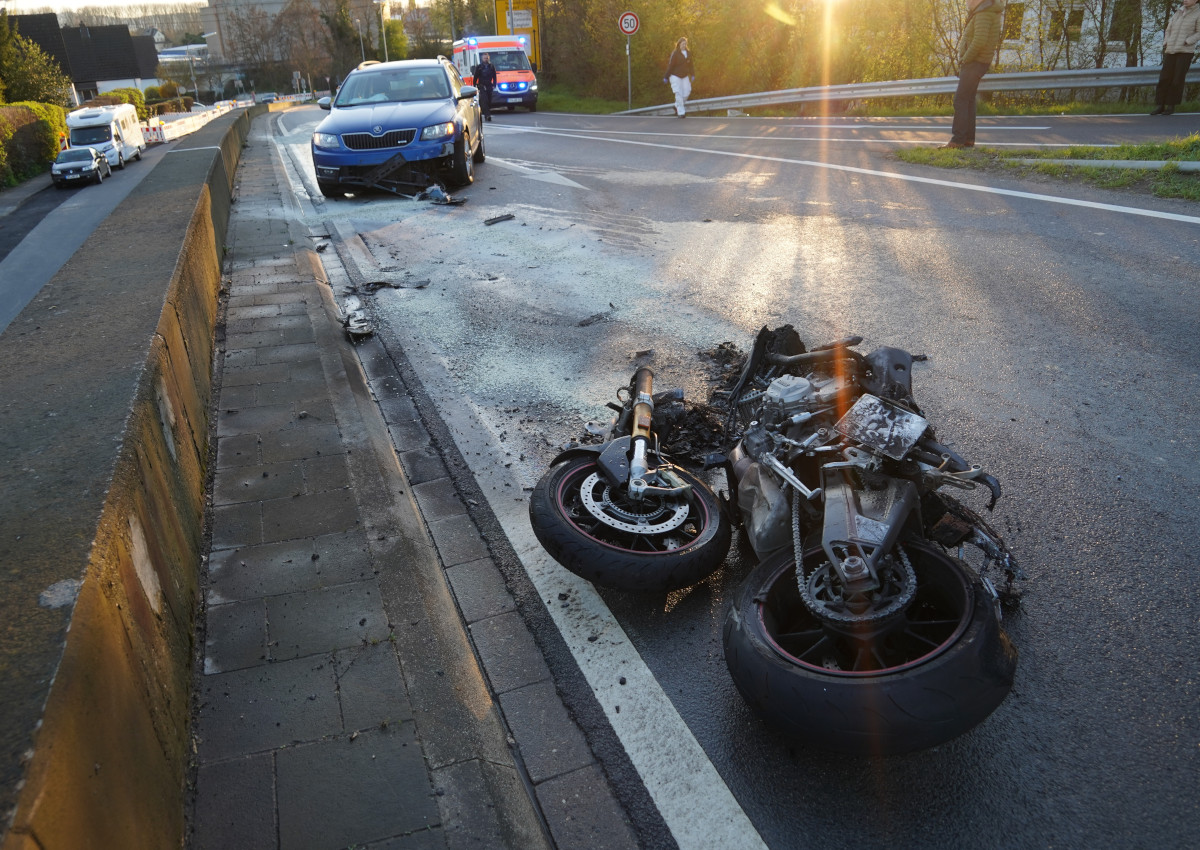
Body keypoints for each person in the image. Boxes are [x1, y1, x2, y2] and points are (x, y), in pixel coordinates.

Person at [942, 0, 1004, 149]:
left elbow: (979, 40)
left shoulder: (984, 13)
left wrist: (965, 59)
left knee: (960, 99)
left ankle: (957, 140)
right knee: (968, 99)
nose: (967, 2)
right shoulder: (986, 12)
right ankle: (968, 139)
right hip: (978, 61)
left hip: (975, 61)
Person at [1151, 0, 1200, 115]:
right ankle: (1160, 105)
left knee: (1177, 79)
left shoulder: (1198, 13)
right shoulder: (1178, 11)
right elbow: (1169, 29)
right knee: (1164, 78)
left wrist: (1187, 41)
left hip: (1185, 51)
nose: (1186, 0)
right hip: (1171, 50)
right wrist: (1166, 41)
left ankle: (1170, 106)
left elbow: (1199, 32)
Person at [664, 37, 695, 118]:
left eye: (685, 44)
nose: (684, 45)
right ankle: (681, 113)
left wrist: (692, 74)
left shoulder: (688, 53)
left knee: (687, 91)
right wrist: (666, 76)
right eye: (682, 44)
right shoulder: (675, 53)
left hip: (684, 76)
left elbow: (691, 65)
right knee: (678, 93)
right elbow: (671, 66)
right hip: (675, 76)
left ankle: (676, 105)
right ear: (679, 44)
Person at [473, 53, 498, 122]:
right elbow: (475, 76)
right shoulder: (479, 67)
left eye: (487, 58)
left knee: (489, 101)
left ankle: (485, 112)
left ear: (488, 58)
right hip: (482, 85)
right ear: (482, 59)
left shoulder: (491, 66)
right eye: (484, 58)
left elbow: (494, 76)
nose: (486, 59)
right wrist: (474, 84)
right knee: (485, 100)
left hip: (489, 85)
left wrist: (494, 84)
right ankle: (487, 115)